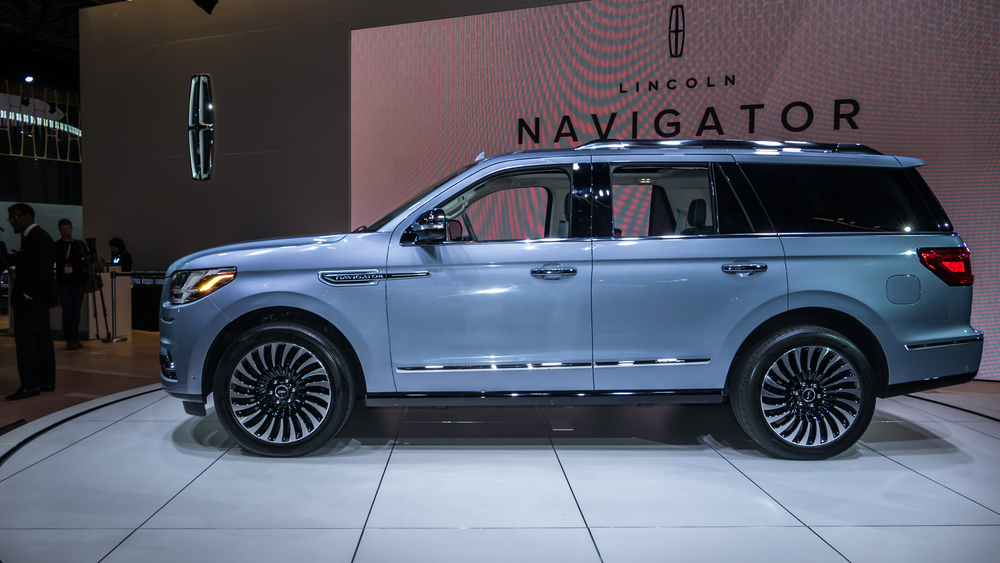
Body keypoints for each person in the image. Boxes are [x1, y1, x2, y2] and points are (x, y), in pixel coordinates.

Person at [5, 203, 58, 401]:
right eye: (10, 218)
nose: (13, 221)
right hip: (37, 299)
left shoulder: (37, 237)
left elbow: (43, 269)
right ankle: (45, 381)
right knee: (41, 340)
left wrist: (28, 295)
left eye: (15, 217)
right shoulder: (35, 238)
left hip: (32, 300)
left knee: (27, 342)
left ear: (28, 216)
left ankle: (30, 384)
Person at [55, 219, 88, 350]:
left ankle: (75, 337)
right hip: (64, 282)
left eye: (67, 229)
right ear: (59, 230)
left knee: (76, 312)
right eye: (62, 229)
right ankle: (70, 338)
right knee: (68, 311)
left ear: (71, 229)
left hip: (78, 281)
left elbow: (86, 261)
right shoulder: (56, 245)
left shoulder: (79, 245)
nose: (65, 232)